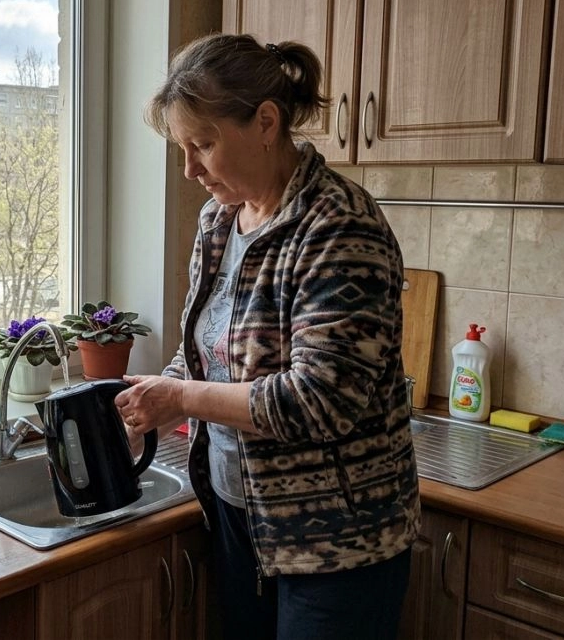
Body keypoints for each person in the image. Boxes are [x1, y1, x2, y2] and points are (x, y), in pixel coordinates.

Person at [115, 33, 420, 639]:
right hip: (239, 515)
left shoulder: (338, 226)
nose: (189, 170)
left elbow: (319, 402)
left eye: (202, 144)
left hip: (337, 542)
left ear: (266, 122)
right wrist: (148, 400)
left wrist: (178, 400)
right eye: (182, 148)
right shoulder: (220, 219)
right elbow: (205, 351)